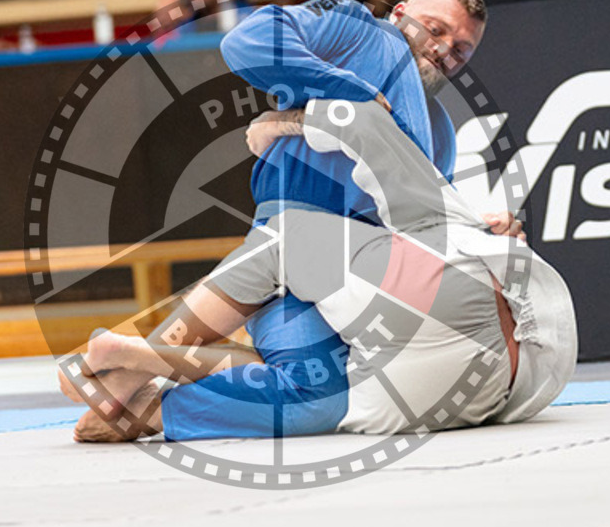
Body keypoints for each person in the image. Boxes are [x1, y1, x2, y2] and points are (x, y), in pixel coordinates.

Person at [66, 0, 525, 442]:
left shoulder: (440, 131)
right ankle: (135, 369)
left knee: (322, 395)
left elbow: (422, 221)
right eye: (434, 28)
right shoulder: (360, 30)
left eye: (461, 49)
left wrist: (481, 229)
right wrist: (352, 93)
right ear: (399, 12)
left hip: (353, 278)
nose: (444, 48)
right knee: (295, 277)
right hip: (286, 246)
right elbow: (248, 41)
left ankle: (140, 388)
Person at [59, 98, 578, 439]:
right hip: (494, 389)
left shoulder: (406, 130)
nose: (446, 50)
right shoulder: (410, 221)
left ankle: (143, 358)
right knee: (309, 391)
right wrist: (154, 416)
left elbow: (365, 124)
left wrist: (272, 127)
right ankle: (142, 397)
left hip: (467, 308)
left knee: (283, 238)